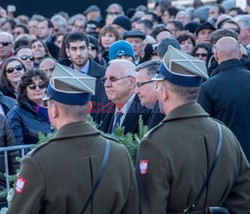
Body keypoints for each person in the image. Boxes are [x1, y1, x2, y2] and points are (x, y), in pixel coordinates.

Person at [7, 64, 139, 214]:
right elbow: (133, 207)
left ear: (54, 110)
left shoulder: (37, 161)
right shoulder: (119, 151)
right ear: (89, 107)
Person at [136, 45, 250, 213]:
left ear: (165, 91)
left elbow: (151, 208)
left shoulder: (155, 142)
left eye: (158, 86)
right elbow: (243, 198)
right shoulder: (223, 133)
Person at [198, 37, 250, 162]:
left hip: (227, 156)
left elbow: (203, 128)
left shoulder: (208, 87)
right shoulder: (208, 87)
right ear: (239, 53)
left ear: (215, 56)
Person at [65, 32, 108, 122]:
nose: (79, 53)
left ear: (88, 49)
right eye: (74, 49)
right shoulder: (62, 78)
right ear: (68, 52)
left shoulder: (105, 74)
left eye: (82, 48)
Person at [98, 59, 150, 135]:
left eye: (113, 79)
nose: (107, 84)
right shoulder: (103, 112)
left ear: (132, 82)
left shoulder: (148, 111)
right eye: (105, 79)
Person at [7, 69, 53, 145]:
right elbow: (17, 147)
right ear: (25, 89)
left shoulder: (55, 107)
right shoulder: (16, 113)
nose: (37, 89)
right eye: (32, 86)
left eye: (41, 85)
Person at [135, 60, 165, 130]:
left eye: (139, 85)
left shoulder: (164, 113)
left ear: (156, 83)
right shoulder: (157, 109)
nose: (136, 91)